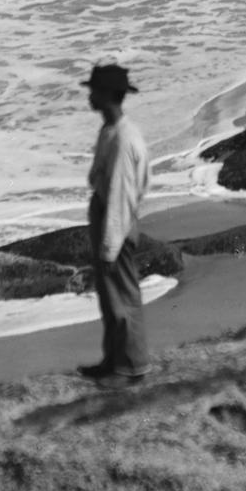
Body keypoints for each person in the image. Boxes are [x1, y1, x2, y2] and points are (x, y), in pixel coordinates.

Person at [81, 61, 150, 382]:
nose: (89, 95)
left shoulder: (122, 139)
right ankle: (114, 360)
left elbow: (121, 200)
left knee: (122, 296)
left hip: (116, 221)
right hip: (110, 214)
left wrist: (110, 245)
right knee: (112, 296)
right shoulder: (112, 130)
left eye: (94, 89)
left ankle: (130, 366)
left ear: (108, 94)